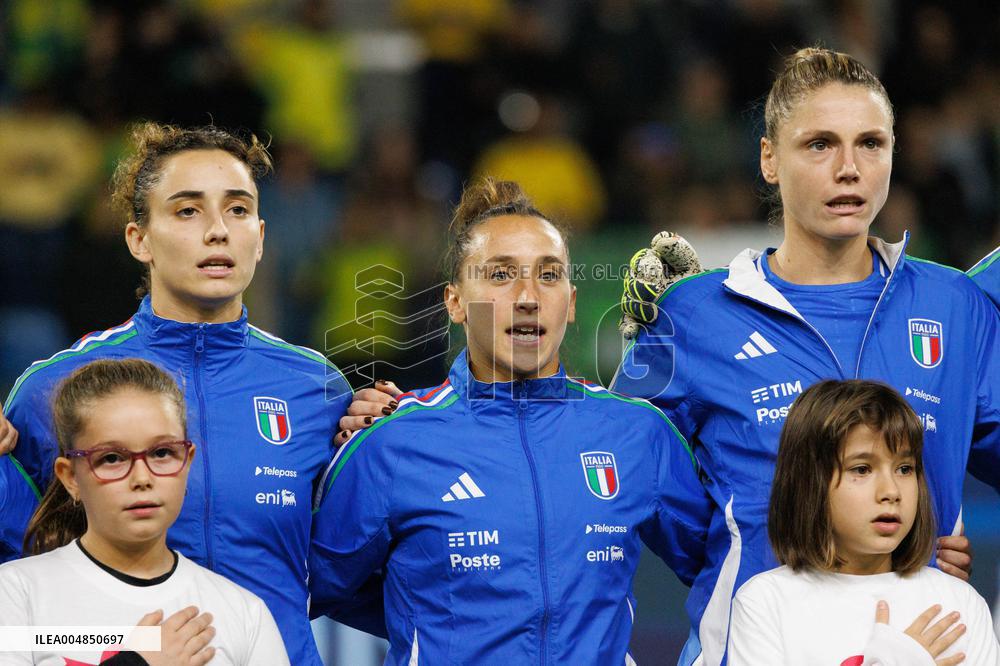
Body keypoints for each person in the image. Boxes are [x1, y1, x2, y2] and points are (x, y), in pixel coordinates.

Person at [612, 48, 1000, 665]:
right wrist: (745, 546)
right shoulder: (691, 315)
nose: (849, 168)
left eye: (871, 144)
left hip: (923, 649)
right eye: (819, 144)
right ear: (769, 158)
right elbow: (616, 483)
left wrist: (923, 546)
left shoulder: (956, 306)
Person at [308, 178, 710, 664]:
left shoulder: (635, 432)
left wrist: (710, 339)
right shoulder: (390, 441)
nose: (527, 296)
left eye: (549, 274)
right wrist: (420, 614)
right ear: (454, 302)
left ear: (573, 301)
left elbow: (729, 561)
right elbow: (308, 588)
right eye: (500, 275)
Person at [1, 123, 354, 665]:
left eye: (237, 210)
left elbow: (350, 567)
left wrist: (386, 430)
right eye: (188, 211)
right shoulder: (55, 387)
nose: (218, 231)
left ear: (260, 236)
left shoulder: (318, 390)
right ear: (138, 239)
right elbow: (21, 579)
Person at [0, 358, 288, 665]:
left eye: (162, 453)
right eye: (112, 458)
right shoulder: (16, 593)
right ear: (70, 477)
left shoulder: (243, 612)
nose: (141, 478)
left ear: (187, 461)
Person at [727, 380, 999, 665]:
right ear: (809, 483)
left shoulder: (959, 603)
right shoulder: (764, 603)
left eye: (904, 469)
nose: (891, 491)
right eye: (862, 469)